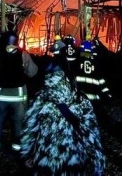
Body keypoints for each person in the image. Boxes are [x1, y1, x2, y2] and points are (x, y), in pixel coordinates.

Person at [21, 41, 105, 175]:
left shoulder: (40, 99)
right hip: (75, 161)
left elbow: (30, 132)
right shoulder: (80, 99)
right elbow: (92, 133)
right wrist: (97, 161)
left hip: (46, 162)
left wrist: (27, 155)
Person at [0, 31, 38, 154]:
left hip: (0, 94)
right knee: (18, 123)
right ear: (16, 41)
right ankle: (18, 148)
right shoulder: (24, 54)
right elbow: (32, 72)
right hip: (18, 95)